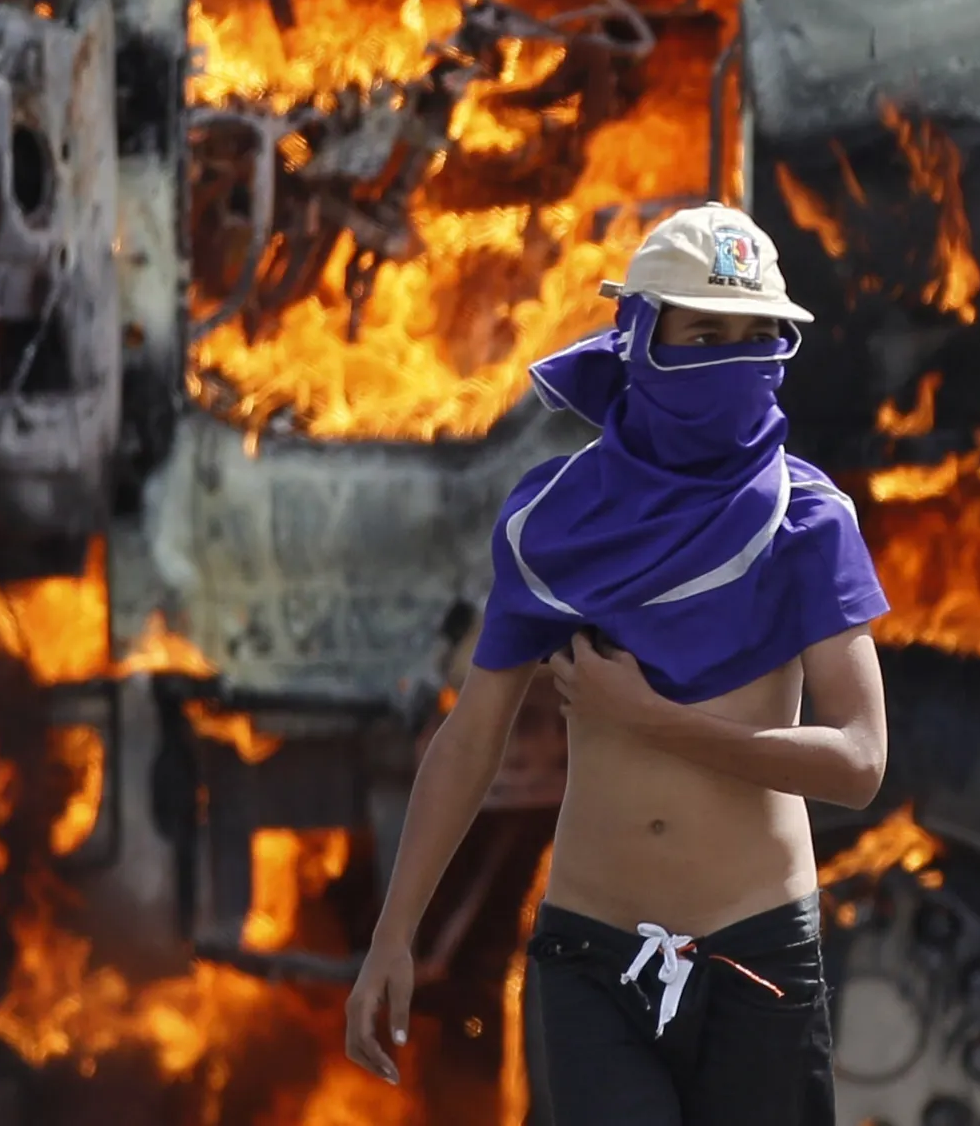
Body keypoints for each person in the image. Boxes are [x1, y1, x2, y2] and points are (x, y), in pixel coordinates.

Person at [343, 202, 890, 1124]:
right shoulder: (553, 520)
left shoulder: (806, 520)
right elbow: (470, 741)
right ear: (640, 340)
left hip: (757, 953)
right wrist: (393, 934)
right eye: (704, 335)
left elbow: (860, 761)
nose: (731, 359)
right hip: (590, 958)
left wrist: (655, 721)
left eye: (754, 337)